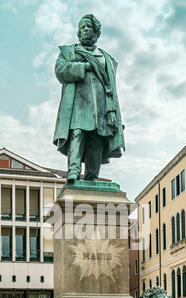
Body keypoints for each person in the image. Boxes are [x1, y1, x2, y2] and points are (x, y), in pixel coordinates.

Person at [53, 14, 125, 182]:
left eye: (88, 27)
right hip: (78, 104)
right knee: (77, 134)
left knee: (97, 140)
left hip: (101, 107)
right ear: (78, 34)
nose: (85, 30)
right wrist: (84, 66)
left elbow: (111, 88)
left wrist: (112, 110)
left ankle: (92, 176)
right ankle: (73, 171)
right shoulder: (69, 52)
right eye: (82, 28)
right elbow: (60, 70)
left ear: (96, 32)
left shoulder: (106, 58)